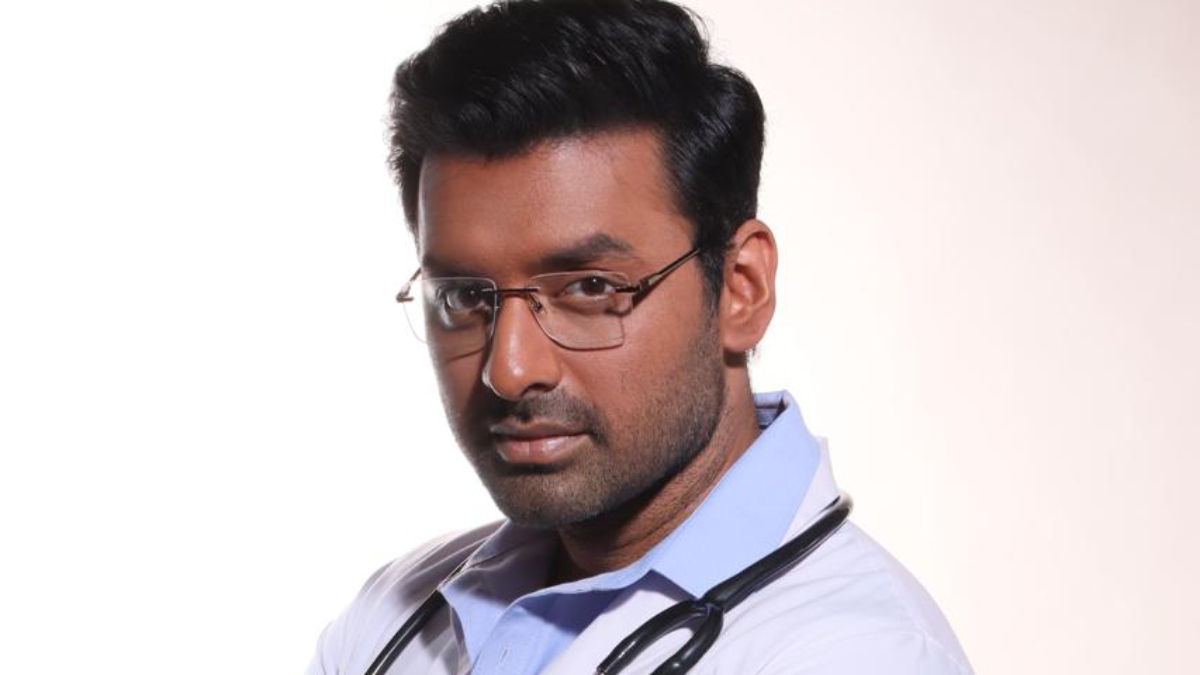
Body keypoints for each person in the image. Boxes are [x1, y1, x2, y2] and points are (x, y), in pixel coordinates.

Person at [307, 0, 972, 673]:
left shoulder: (858, 654)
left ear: (741, 288)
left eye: (590, 287)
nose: (509, 369)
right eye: (463, 296)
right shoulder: (391, 619)